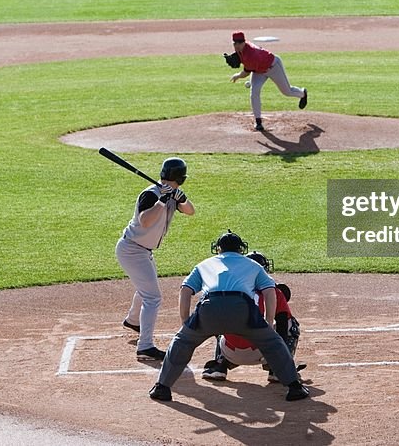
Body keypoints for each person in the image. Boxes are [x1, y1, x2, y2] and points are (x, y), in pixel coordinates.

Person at [148, 231, 309, 403]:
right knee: (274, 343)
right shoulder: (253, 265)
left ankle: (162, 387)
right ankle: (294, 387)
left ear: (218, 248)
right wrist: (268, 323)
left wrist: (186, 323)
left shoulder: (204, 264)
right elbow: (270, 291)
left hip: (209, 309)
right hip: (242, 310)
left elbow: (185, 290)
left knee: (181, 342)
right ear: (240, 249)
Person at [116, 157, 194, 362]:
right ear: (182, 178)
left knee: (146, 288)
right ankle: (145, 346)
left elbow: (190, 211)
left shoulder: (171, 195)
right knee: (152, 297)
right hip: (132, 250)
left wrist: (181, 199)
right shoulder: (151, 194)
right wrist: (162, 200)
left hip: (142, 251)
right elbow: (145, 221)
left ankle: (133, 320)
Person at [201, 250, 304, 383]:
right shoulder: (273, 292)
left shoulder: (228, 288)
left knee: (224, 321)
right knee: (290, 324)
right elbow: (282, 325)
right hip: (261, 351)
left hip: (230, 352)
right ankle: (279, 369)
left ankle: (220, 365)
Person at [226, 31, 308, 132]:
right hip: (259, 71)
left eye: (239, 43)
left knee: (287, 91)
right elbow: (247, 63)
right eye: (235, 43)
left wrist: (237, 75)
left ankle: (302, 93)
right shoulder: (241, 50)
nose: (236, 45)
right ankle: (258, 121)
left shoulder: (251, 54)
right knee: (254, 92)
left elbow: (245, 73)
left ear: (244, 42)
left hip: (273, 67)